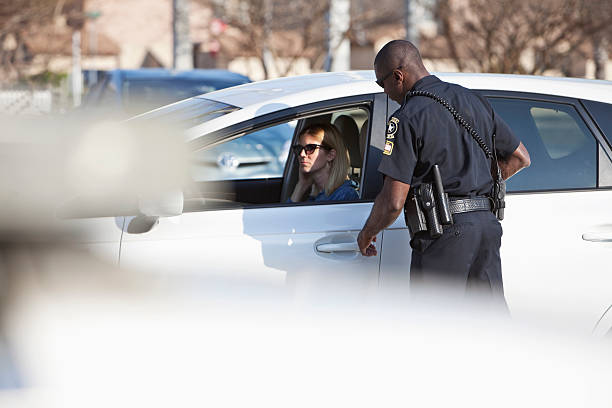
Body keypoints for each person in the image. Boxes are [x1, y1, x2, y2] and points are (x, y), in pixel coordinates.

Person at [357, 40, 531, 300]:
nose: (385, 93)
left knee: (436, 331)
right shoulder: (473, 100)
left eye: (382, 84)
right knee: (490, 331)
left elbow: (393, 201)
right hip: (487, 228)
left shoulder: (406, 118)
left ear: (398, 76)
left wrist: (367, 233)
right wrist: (479, 182)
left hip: (444, 234)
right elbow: (520, 157)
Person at [288, 123, 358, 203]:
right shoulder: (316, 196)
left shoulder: (345, 195)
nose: (302, 154)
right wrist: (301, 185)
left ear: (330, 155)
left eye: (310, 148)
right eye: (299, 148)